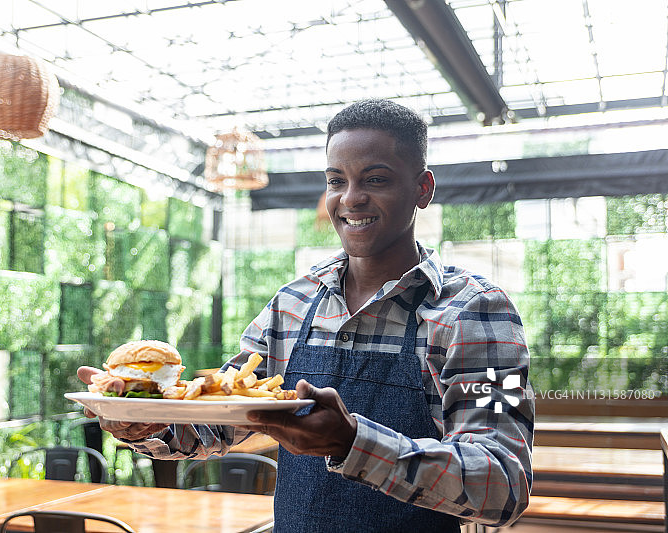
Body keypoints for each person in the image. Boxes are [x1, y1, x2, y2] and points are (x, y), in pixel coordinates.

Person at [78, 98, 534, 531]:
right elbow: (219, 419)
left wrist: (353, 443)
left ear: (422, 189)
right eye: (337, 180)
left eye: (375, 179)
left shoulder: (475, 310)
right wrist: (144, 420)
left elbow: (503, 485)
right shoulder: (292, 304)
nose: (349, 199)